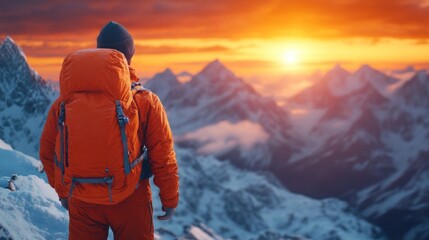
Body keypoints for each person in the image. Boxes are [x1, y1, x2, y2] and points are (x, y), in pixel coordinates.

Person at [39, 21, 179, 240]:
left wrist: (64, 192)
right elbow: (163, 155)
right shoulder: (144, 101)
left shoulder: (64, 103)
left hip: (82, 198)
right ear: (130, 54)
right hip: (131, 197)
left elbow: (48, 152)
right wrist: (169, 199)